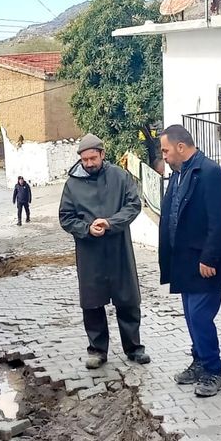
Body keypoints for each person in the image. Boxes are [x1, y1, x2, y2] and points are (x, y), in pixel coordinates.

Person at [59, 134, 150, 369]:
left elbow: (133, 205)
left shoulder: (119, 176)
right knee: (92, 302)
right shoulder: (72, 184)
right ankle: (97, 350)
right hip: (90, 252)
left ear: (102, 154)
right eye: (84, 159)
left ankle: (134, 348)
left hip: (118, 247)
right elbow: (66, 217)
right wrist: (86, 228)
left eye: (93, 158)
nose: (89, 163)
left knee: (128, 299)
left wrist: (111, 223)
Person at [158, 125, 221, 398]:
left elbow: (219, 220)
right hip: (184, 261)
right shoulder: (180, 174)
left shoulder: (210, 173)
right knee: (192, 318)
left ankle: (214, 372)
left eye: (166, 150)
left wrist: (209, 257)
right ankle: (200, 361)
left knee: (202, 317)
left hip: (205, 263)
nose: (164, 156)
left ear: (181, 147)